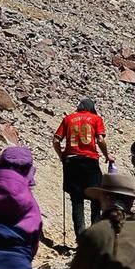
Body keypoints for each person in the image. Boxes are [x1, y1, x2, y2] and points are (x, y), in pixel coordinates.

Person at [54, 97, 109, 241]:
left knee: (76, 198)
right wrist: (107, 155)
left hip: (71, 162)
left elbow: (56, 140)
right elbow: (101, 140)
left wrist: (62, 156)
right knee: (96, 196)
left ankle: (80, 235)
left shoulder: (68, 119)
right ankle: (95, 232)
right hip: (90, 160)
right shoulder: (96, 118)